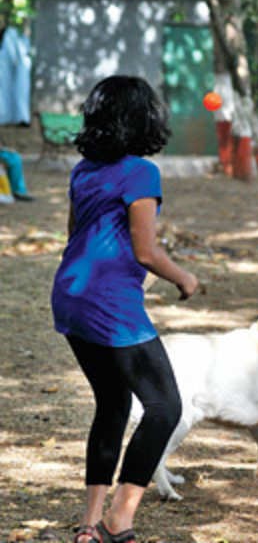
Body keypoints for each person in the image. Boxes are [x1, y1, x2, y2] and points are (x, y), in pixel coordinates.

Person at [51, 76, 200, 543]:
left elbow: (78, 234)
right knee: (164, 406)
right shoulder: (140, 173)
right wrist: (184, 277)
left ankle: (90, 524)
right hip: (107, 303)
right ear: (143, 117)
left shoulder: (83, 170)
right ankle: (120, 518)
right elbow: (146, 251)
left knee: (112, 404)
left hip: (71, 294)